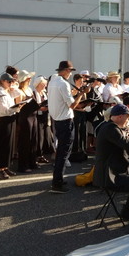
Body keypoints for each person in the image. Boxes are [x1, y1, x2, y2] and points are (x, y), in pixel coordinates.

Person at [47, 60, 87, 193]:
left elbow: (63, 99)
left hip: (58, 120)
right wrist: (81, 94)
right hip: (65, 121)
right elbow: (73, 105)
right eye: (69, 71)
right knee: (64, 153)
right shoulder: (63, 84)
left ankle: (58, 179)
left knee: (62, 152)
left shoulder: (53, 81)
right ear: (64, 70)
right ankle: (57, 182)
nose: (70, 73)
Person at [0, 73, 19, 180]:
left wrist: (14, 86)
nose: (10, 83)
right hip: (4, 120)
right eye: (9, 82)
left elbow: (17, 94)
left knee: (10, 145)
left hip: (10, 118)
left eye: (11, 81)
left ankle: (6, 166)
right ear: (3, 81)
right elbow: (4, 110)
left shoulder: (7, 92)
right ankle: (0, 169)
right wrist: (17, 108)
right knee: (3, 145)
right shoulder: (0, 92)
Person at [16, 69, 39, 173]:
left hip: (33, 117)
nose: (30, 79)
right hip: (25, 118)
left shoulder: (29, 89)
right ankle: (23, 165)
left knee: (33, 140)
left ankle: (32, 162)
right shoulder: (19, 91)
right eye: (28, 78)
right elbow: (18, 107)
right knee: (25, 141)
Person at [33, 76, 53, 163]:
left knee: (47, 136)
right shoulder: (34, 93)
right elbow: (33, 106)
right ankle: (38, 155)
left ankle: (43, 153)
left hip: (45, 116)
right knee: (39, 137)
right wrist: (40, 108)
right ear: (38, 84)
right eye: (44, 84)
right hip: (38, 117)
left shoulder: (45, 93)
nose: (45, 85)